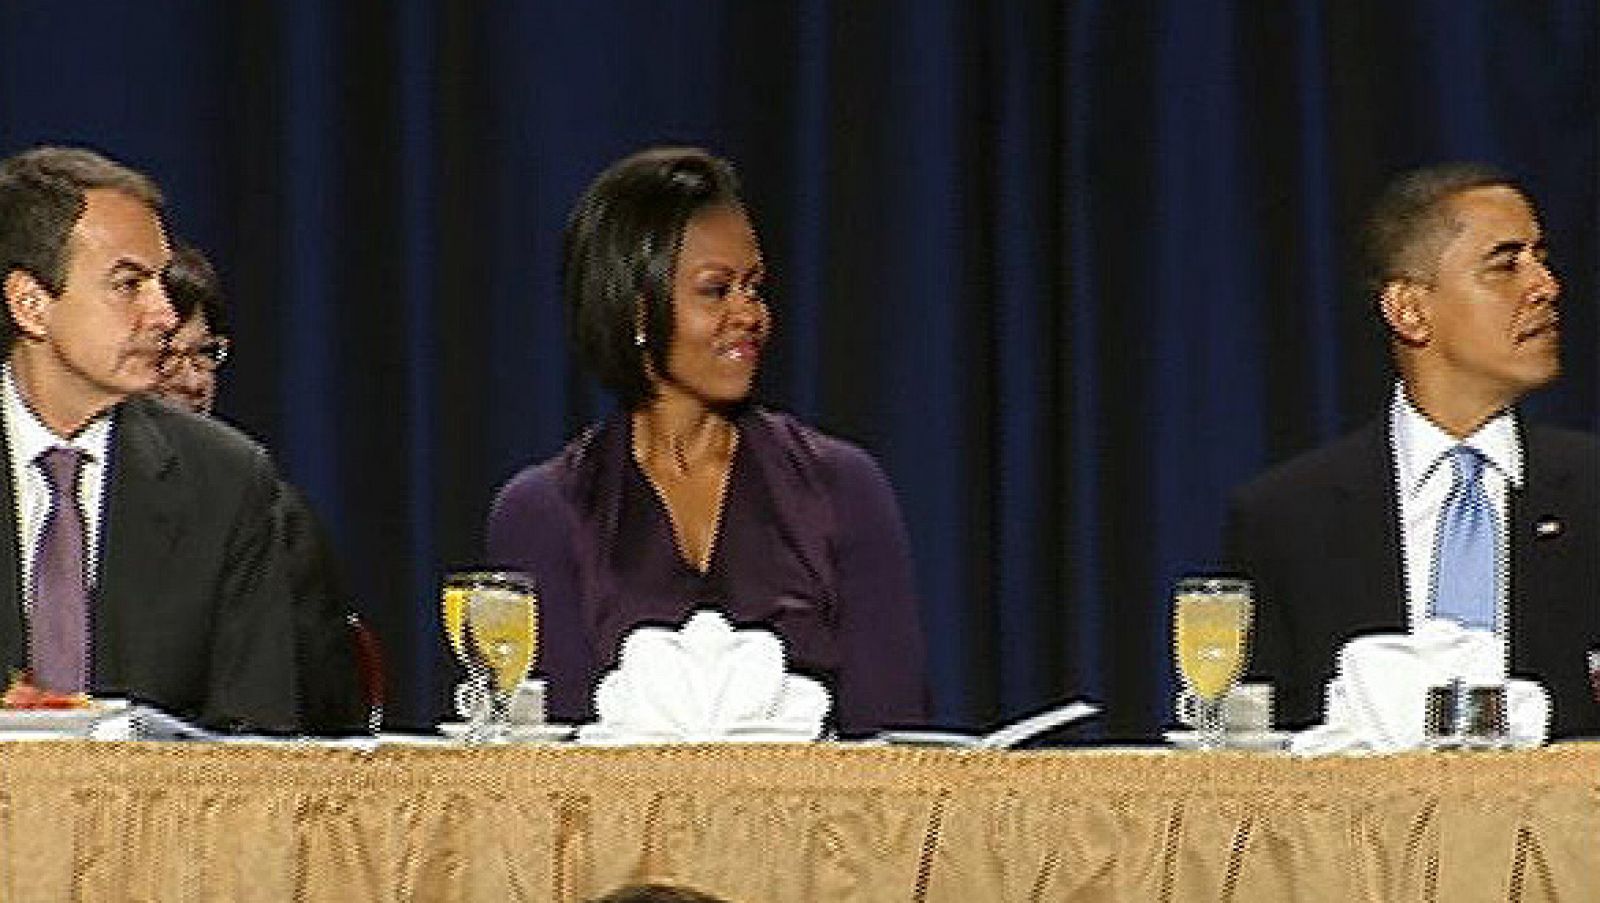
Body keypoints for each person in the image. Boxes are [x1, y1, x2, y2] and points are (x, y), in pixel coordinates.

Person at [486, 147, 927, 735]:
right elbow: (544, 761)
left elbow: (897, 747)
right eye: (717, 291)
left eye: (755, 287)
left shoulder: (841, 487)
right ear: (638, 312)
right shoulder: (545, 512)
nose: (749, 314)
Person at [1224, 162, 1600, 737]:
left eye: (1541, 259)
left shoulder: (1590, 491)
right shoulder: (1286, 517)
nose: (1545, 287)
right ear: (1409, 310)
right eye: (1505, 265)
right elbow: (1255, 746)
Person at [0, 145, 298, 731]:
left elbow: (260, 745)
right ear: (31, 306)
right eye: (129, 284)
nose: (164, 314)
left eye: (160, 282)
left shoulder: (227, 481)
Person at [154, 240, 369, 733]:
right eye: (166, 354)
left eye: (204, 354)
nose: (193, 381)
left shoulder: (270, 516)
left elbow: (327, 716)